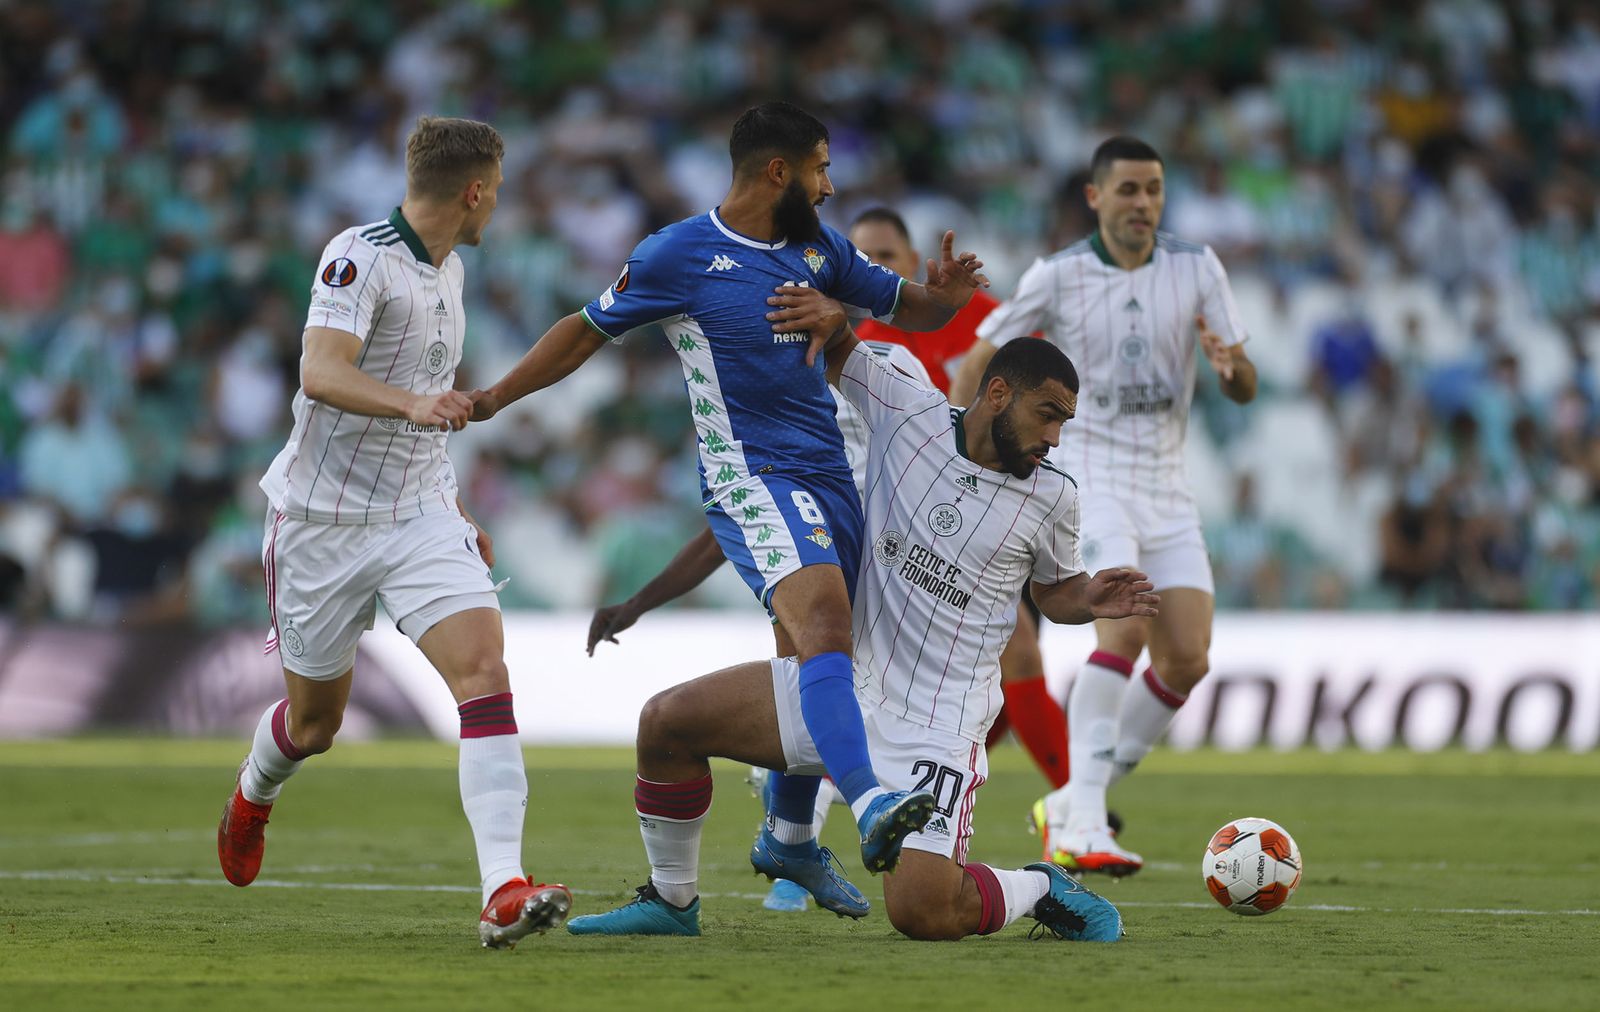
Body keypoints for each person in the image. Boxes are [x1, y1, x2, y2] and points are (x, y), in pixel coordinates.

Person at [469, 102, 989, 879]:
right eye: (819, 167)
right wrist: (494, 399)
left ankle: (785, 842)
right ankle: (871, 802)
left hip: (831, 482)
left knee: (812, 660)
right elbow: (583, 330)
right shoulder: (679, 254)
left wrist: (942, 298)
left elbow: (903, 305)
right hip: (752, 475)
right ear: (777, 171)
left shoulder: (819, 250)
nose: (830, 184)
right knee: (822, 626)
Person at [565, 302, 1155, 941]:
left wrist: (1090, 598)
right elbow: (839, 340)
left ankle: (1041, 884)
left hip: (938, 725)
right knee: (666, 725)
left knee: (922, 913)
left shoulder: (1054, 495)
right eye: (1047, 416)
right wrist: (822, 294)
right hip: (844, 693)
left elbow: (1055, 592)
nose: (1055, 438)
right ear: (998, 393)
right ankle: (672, 901)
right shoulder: (911, 414)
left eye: (1064, 422)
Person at [216, 116, 572, 949]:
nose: (498, 209)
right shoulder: (358, 254)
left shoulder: (448, 271)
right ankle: (253, 792)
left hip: (417, 515)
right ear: (475, 190)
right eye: (498, 192)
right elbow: (320, 370)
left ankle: (502, 890)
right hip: (320, 523)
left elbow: (431, 396)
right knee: (315, 728)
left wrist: (450, 506)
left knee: (484, 671)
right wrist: (413, 405)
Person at [951, 136, 1258, 876]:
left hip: (1167, 487)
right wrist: (958, 454)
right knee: (1120, 631)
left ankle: (1074, 801)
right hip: (1093, 480)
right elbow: (977, 360)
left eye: (1153, 189)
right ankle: (1083, 819)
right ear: (1095, 197)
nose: (1143, 204)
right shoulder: (1057, 275)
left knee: (1186, 659)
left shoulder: (1196, 267)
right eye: (1127, 190)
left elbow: (1246, 382)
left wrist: (1231, 368)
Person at [849, 207, 1071, 793]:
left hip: (995, 507)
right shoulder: (869, 343)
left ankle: (944, 782)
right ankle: (1074, 808)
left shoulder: (975, 317)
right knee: (1013, 653)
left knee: (996, 672)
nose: (873, 268)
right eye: (861, 258)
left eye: (886, 257)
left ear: (910, 262)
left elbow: (1034, 377)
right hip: (898, 528)